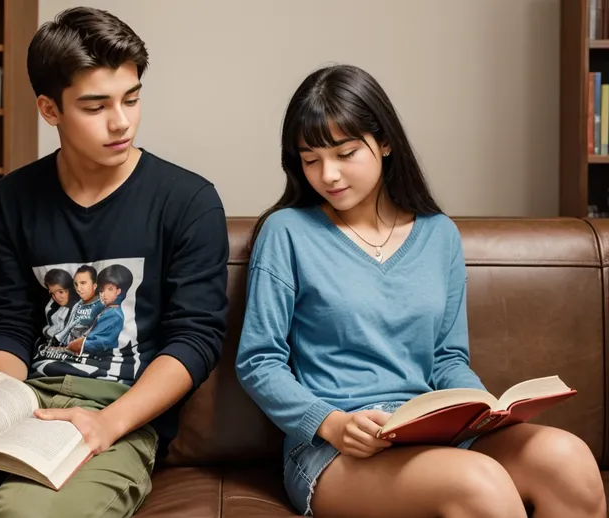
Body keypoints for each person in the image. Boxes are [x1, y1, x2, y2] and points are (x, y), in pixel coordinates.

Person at [0, 6, 228, 518]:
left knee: (23, 514)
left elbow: (195, 338)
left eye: (131, 98)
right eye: (95, 105)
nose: (121, 121)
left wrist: (107, 424)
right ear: (49, 108)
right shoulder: (16, 197)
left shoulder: (188, 200)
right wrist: (0, 405)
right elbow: (7, 320)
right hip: (26, 398)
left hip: (118, 412)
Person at [235, 64, 606, 518]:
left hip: (428, 429)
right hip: (336, 448)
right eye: (310, 160)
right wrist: (330, 423)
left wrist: (481, 408)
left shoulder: (439, 235)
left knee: (568, 460)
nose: (327, 175)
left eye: (345, 153)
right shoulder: (287, 232)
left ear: (385, 142)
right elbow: (259, 362)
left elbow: (448, 359)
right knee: (480, 485)